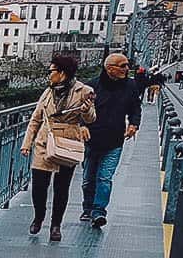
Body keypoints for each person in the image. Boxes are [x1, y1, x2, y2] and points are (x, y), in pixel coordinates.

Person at [21, 54, 96, 241]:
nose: (49, 75)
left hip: (67, 143)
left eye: (51, 71)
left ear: (62, 73)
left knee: (62, 187)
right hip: (45, 142)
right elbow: (36, 118)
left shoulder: (83, 91)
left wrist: (86, 110)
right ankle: (39, 217)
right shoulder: (48, 92)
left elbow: (91, 118)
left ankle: (56, 225)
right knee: (39, 186)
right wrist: (26, 144)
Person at [81, 53, 141, 228]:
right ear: (110, 68)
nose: (126, 69)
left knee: (105, 178)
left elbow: (135, 107)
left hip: (115, 140)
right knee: (88, 179)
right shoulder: (91, 86)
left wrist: (134, 124)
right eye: (122, 66)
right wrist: (82, 125)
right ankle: (88, 208)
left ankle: (99, 212)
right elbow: (79, 110)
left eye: (127, 65)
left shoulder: (130, 85)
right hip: (91, 139)